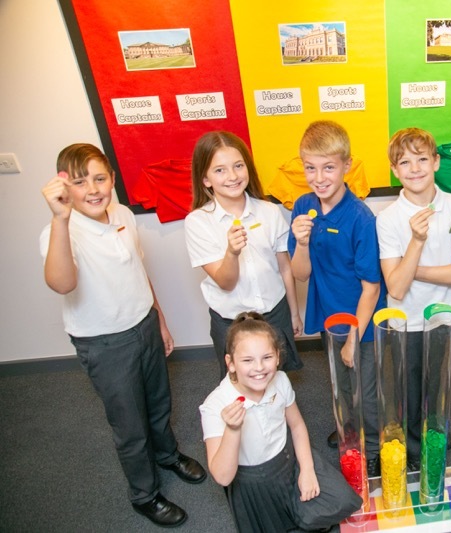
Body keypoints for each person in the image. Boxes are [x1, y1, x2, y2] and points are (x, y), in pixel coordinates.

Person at [40, 143, 206, 528]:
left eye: (100, 178)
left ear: (113, 179)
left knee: (159, 404)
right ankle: (144, 495)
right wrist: (61, 219)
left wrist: (160, 320)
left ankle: (167, 455)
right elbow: (63, 283)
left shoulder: (123, 215)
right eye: (81, 182)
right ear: (64, 186)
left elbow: (138, 274)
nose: (94, 189)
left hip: (143, 325)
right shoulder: (59, 230)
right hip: (105, 343)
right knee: (130, 424)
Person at [199, 312, 362, 532]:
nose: (259, 368)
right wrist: (233, 429)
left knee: (343, 501)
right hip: (253, 484)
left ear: (277, 356)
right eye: (247, 360)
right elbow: (223, 476)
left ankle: (302, 514)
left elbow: (296, 426)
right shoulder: (214, 405)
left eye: (267, 357)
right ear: (231, 363)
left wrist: (307, 470)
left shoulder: (280, 380)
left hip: (288, 461)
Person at [288, 120, 386, 476]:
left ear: (346, 165)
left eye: (328, 167)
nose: (319, 177)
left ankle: (372, 445)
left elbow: (371, 288)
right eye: (310, 167)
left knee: (366, 388)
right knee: (338, 381)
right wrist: (300, 243)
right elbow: (301, 273)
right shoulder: (302, 205)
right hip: (329, 316)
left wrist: (353, 337)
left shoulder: (361, 217)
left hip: (361, 320)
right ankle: (348, 429)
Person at [376, 127, 451, 469]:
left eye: (422, 159)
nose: (415, 168)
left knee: (439, 380)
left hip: (444, 316)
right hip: (406, 319)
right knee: (408, 385)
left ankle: (434, 429)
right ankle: (415, 447)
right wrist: (416, 242)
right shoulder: (388, 219)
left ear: (436, 162)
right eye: (405, 162)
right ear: (394, 170)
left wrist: (409, 267)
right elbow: (397, 289)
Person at [185, 131, 303, 379]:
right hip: (230, 321)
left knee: (276, 377)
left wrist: (293, 313)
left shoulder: (269, 212)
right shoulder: (198, 222)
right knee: (238, 382)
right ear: (205, 179)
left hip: (275, 313)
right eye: (219, 170)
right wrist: (231, 253)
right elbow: (225, 282)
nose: (232, 176)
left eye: (238, 166)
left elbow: (284, 268)